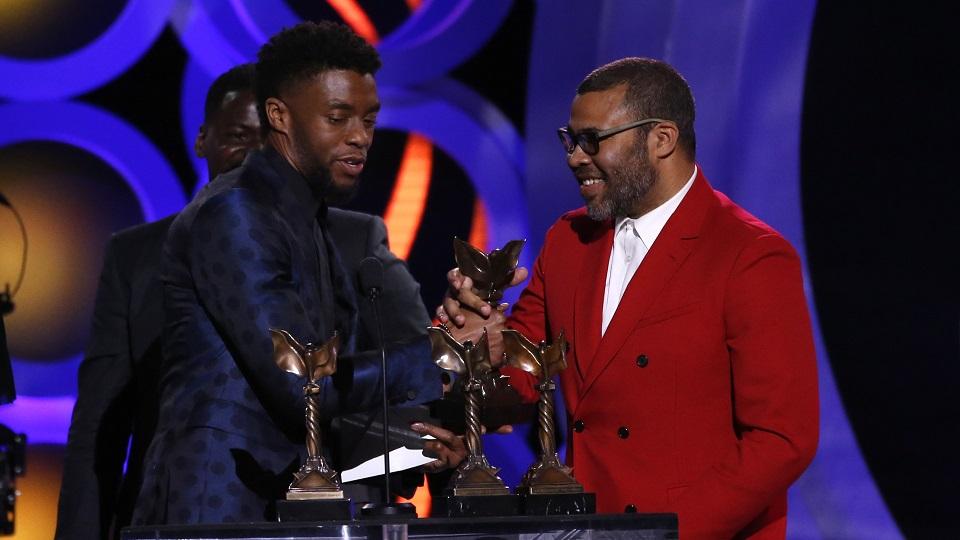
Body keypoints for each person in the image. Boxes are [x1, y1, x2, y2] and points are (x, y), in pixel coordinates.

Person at [433, 57, 819, 539]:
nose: (575, 157)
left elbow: (783, 439)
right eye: (571, 140)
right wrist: (476, 356)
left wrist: (665, 533)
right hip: (588, 527)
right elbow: (523, 377)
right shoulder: (570, 240)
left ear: (661, 139)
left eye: (593, 140)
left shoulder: (749, 254)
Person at [131, 21, 443, 525]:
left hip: (281, 503)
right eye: (338, 118)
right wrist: (439, 356)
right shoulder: (237, 213)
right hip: (219, 507)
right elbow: (302, 385)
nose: (360, 137)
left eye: (369, 119)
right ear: (278, 115)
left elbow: (327, 390)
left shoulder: (304, 216)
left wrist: (410, 439)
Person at [55, 63, 261, 540]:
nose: (252, 156)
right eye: (238, 136)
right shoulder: (135, 255)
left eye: (269, 141)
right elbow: (99, 428)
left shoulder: (335, 244)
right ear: (202, 139)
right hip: (162, 519)